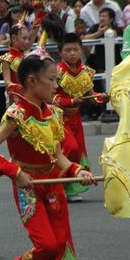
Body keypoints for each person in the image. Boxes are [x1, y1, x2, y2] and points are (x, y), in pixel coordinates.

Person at [0, 50, 97, 260]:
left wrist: (78, 170)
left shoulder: (53, 112)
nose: (57, 86)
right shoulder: (17, 114)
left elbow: (58, 157)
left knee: (60, 244)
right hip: (27, 187)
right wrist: (15, 172)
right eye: (52, 80)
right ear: (32, 81)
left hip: (53, 184)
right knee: (46, 244)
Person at [52, 33, 108, 201]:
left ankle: (69, 189)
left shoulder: (85, 72)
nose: (72, 54)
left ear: (81, 50)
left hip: (76, 119)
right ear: (60, 52)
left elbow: (91, 97)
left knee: (78, 151)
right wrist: (70, 101)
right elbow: (51, 99)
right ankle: (56, 185)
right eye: (67, 50)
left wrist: (103, 98)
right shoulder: (57, 72)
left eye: (75, 49)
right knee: (70, 148)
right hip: (59, 119)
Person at [1, 20, 31, 102]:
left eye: (28, 38)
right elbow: (7, 83)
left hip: (30, 96)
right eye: (24, 38)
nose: (27, 41)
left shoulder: (27, 57)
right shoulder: (6, 59)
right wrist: (21, 88)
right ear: (14, 38)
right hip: (15, 98)